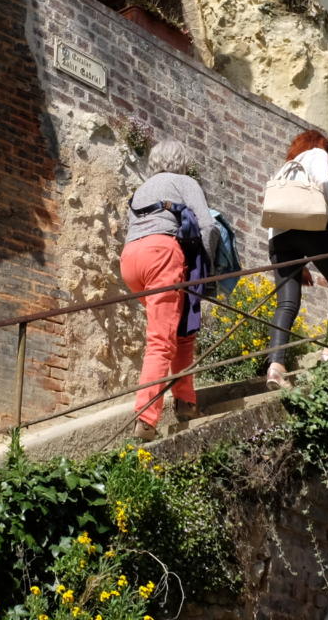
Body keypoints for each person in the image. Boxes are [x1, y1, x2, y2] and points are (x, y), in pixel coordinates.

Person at [120, 138, 218, 441]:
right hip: (162, 255)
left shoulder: (141, 189)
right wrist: (208, 266)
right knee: (162, 340)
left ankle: (186, 402)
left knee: (181, 332)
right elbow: (208, 226)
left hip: (131, 260)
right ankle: (146, 418)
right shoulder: (184, 182)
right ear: (181, 162)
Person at [266, 129, 328, 391]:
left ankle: (276, 367)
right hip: (312, 230)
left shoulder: (284, 170)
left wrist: (299, 262)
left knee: (286, 304)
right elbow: (325, 182)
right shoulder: (316, 153)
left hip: (280, 238)